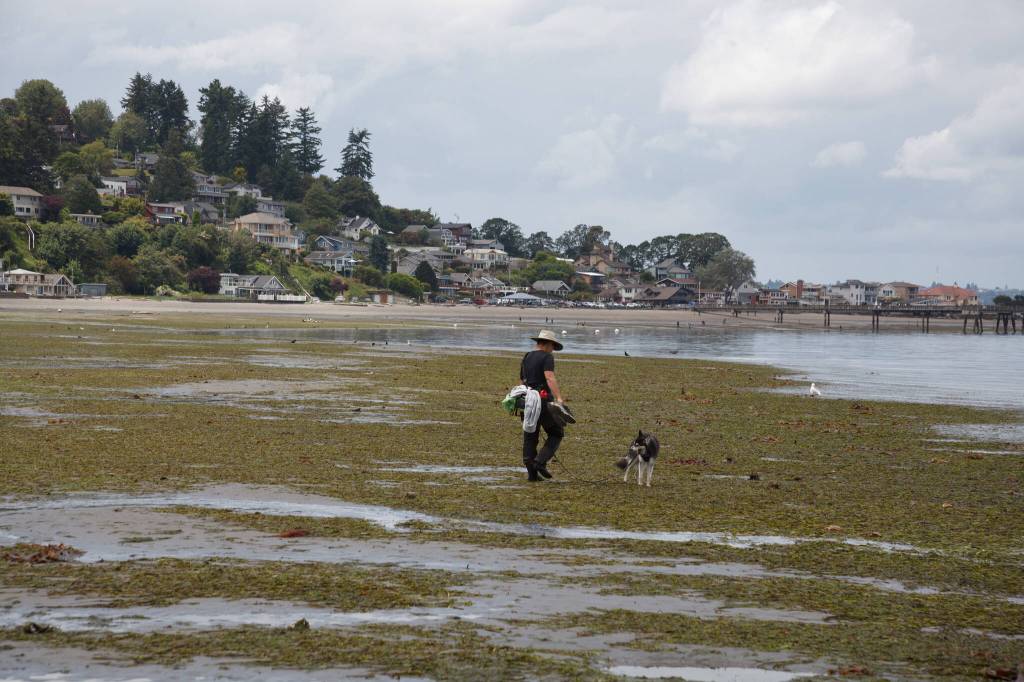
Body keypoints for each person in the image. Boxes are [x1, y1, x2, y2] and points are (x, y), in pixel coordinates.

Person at [519, 329, 566, 481]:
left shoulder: (527, 356)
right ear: (546, 344)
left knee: (530, 435)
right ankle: (540, 462)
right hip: (543, 400)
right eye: (552, 346)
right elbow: (550, 378)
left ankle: (532, 475)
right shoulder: (547, 357)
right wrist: (558, 398)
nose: (553, 349)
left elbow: (522, 381)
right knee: (556, 432)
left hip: (527, 399)